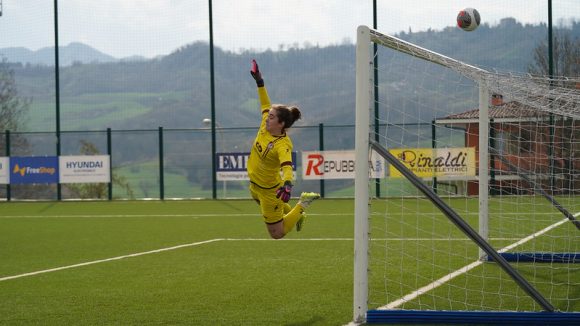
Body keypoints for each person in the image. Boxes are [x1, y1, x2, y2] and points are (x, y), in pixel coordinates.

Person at [247, 59, 320, 239]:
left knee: (277, 233)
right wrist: (259, 81)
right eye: (268, 116)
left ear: (281, 124)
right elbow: (265, 104)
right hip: (255, 186)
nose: (266, 118)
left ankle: (303, 204)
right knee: (260, 202)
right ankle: (297, 214)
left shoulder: (282, 144)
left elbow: (287, 166)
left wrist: (287, 184)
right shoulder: (266, 125)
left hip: (269, 190)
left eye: (271, 117)